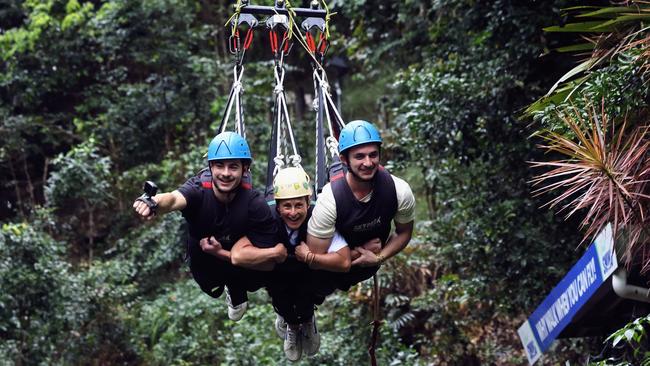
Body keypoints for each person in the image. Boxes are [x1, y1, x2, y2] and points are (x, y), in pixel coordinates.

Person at [132, 131, 284, 321]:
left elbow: (270, 262)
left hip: (242, 259)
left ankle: (239, 289)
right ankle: (230, 286)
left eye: (233, 167)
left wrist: (234, 254)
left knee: (258, 278)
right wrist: (153, 202)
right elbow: (172, 199)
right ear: (210, 167)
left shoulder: (254, 203)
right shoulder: (197, 190)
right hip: (204, 259)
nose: (226, 173)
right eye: (219, 165)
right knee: (209, 283)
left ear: (245, 170)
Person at [231, 166, 350, 362]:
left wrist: (311, 257)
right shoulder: (266, 217)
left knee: (311, 289)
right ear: (277, 207)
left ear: (307, 203)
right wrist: (272, 252)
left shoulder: (319, 217)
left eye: (298, 205)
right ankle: (291, 325)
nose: (293, 213)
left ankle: (307, 319)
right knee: (280, 292)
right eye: (287, 206)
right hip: (278, 273)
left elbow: (344, 261)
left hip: (308, 273)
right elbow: (237, 255)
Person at [306, 120, 416, 293]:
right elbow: (315, 258)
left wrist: (378, 257)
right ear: (344, 159)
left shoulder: (398, 190)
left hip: (368, 268)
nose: (368, 162)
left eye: (373, 155)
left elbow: (404, 232)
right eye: (359, 156)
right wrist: (358, 254)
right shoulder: (330, 199)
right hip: (327, 275)